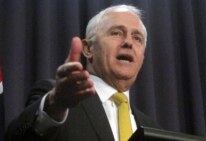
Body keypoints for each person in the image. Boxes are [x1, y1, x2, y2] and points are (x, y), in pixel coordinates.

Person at [5, 4, 160, 141]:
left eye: (137, 38)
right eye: (116, 33)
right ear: (87, 48)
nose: (128, 42)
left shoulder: (152, 128)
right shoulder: (58, 99)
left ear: (142, 58)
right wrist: (55, 104)